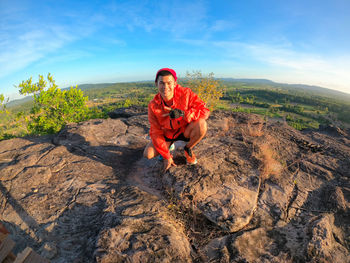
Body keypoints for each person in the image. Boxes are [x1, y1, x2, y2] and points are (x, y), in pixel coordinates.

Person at [143, 68, 210, 171]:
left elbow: (205, 111)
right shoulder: (153, 105)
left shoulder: (186, 93)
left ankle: (188, 148)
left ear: (175, 83)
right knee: (148, 154)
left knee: (202, 124)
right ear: (156, 84)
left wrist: (185, 114)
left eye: (169, 83)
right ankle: (168, 148)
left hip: (185, 131)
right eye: (162, 83)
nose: (165, 87)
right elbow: (155, 131)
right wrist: (166, 156)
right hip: (167, 134)